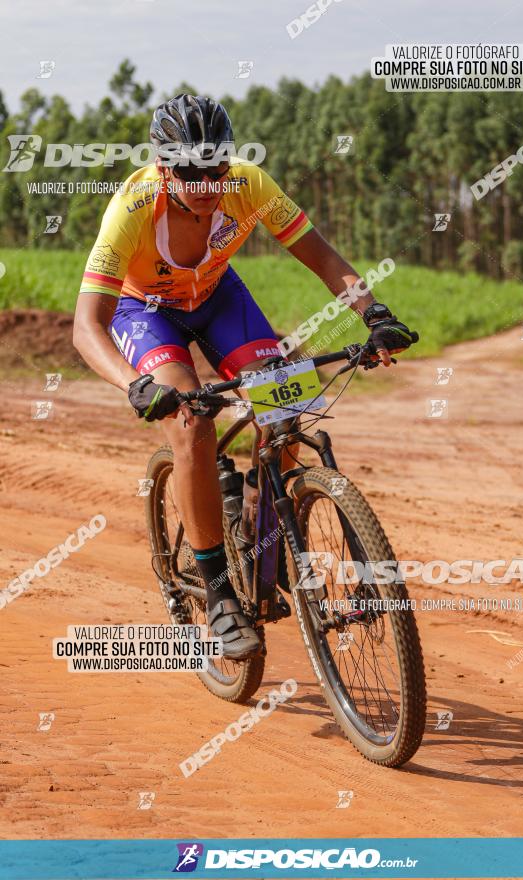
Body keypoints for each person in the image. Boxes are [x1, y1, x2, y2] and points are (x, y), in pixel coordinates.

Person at [73, 94, 415, 660]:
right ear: (163, 167)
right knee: (191, 423)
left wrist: (374, 314)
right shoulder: (132, 208)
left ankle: (263, 537)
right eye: (189, 171)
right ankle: (218, 589)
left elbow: (324, 257)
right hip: (145, 312)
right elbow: (87, 327)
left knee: (282, 404)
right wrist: (135, 385)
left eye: (215, 168)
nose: (206, 184)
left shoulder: (250, 185)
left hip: (217, 297)